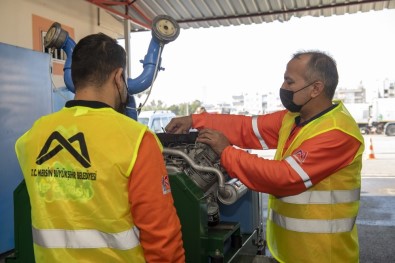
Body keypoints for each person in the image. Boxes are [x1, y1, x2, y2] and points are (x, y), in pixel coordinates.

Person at [166, 51, 364, 263]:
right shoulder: (295, 119)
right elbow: (246, 128)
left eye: (290, 82)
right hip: (291, 252)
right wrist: (194, 120)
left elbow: (284, 177)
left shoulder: (336, 133)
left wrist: (227, 152)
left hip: (323, 255)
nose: (283, 87)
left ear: (316, 88)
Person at [15, 33, 185, 263]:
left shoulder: (31, 137)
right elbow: (161, 237)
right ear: (118, 76)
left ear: (75, 77)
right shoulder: (136, 140)